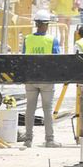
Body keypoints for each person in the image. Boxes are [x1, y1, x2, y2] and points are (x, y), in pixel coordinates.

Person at [19, 12, 60, 147]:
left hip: (31, 78)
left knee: (30, 109)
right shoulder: (52, 40)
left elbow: (23, 57)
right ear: (46, 24)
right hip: (46, 79)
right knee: (47, 110)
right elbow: (57, 59)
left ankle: (28, 139)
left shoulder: (27, 39)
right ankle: (49, 140)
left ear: (36, 24)